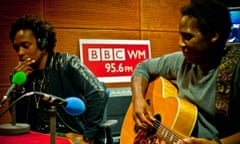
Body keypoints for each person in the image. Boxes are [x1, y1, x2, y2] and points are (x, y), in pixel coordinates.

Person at [131, 0, 240, 144]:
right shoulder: (181, 61)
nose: (180, 43)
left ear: (213, 36)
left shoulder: (235, 69)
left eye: (187, 37)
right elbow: (142, 68)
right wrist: (138, 100)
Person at [8, 14, 108, 144]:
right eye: (16, 48)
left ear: (42, 43)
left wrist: (88, 136)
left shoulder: (66, 63)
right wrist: (19, 88)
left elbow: (98, 93)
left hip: (67, 135)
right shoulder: (20, 75)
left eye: (25, 46)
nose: (20, 53)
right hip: (35, 138)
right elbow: (19, 121)